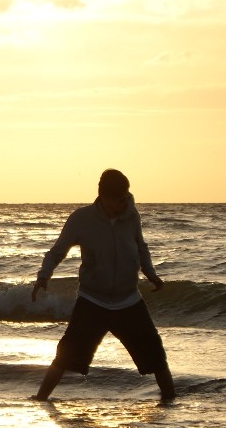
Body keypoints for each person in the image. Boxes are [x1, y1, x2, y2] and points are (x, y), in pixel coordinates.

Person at [31, 169, 175, 402]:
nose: (124, 203)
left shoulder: (132, 215)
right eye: (119, 199)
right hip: (92, 301)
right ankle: (40, 399)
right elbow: (58, 251)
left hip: (129, 301)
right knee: (66, 355)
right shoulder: (81, 219)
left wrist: (151, 274)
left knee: (156, 356)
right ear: (104, 197)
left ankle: (171, 401)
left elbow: (141, 247)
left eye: (126, 197)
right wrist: (43, 277)